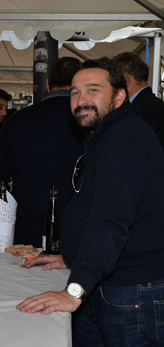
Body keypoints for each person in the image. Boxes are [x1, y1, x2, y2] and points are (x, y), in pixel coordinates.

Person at [17, 58, 164, 346]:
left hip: (132, 292)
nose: (81, 100)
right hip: (107, 285)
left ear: (119, 96)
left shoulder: (125, 139)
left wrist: (75, 290)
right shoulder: (108, 135)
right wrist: (72, 257)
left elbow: (110, 220)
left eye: (93, 90)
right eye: (74, 92)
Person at [0, 57, 85, 247]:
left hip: (27, 230)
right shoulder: (89, 122)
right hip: (80, 231)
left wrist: (2, 236)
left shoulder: (17, 121)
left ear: (48, 84)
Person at [112, 51, 164, 152]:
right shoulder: (155, 104)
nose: (113, 86)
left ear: (126, 79)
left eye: (115, 80)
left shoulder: (136, 111)